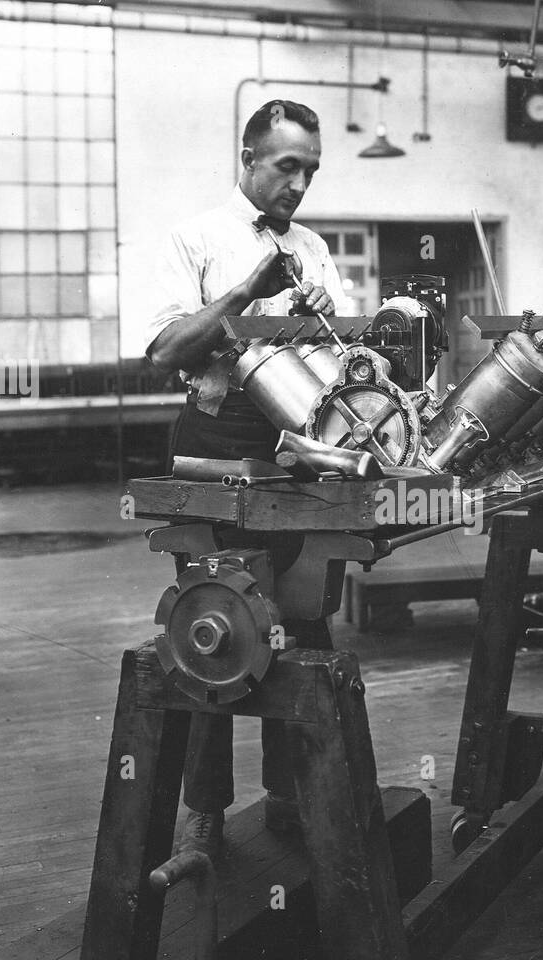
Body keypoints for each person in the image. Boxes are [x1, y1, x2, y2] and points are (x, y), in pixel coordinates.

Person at [144, 99, 348, 859]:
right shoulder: (194, 238)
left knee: (303, 617)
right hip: (213, 443)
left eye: (310, 171)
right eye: (286, 166)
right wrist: (247, 294)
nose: (298, 184)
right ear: (249, 157)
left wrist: (326, 318)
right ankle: (203, 815)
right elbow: (165, 352)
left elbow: (339, 367)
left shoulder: (317, 249)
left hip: (296, 443)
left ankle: (296, 797)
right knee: (216, 620)